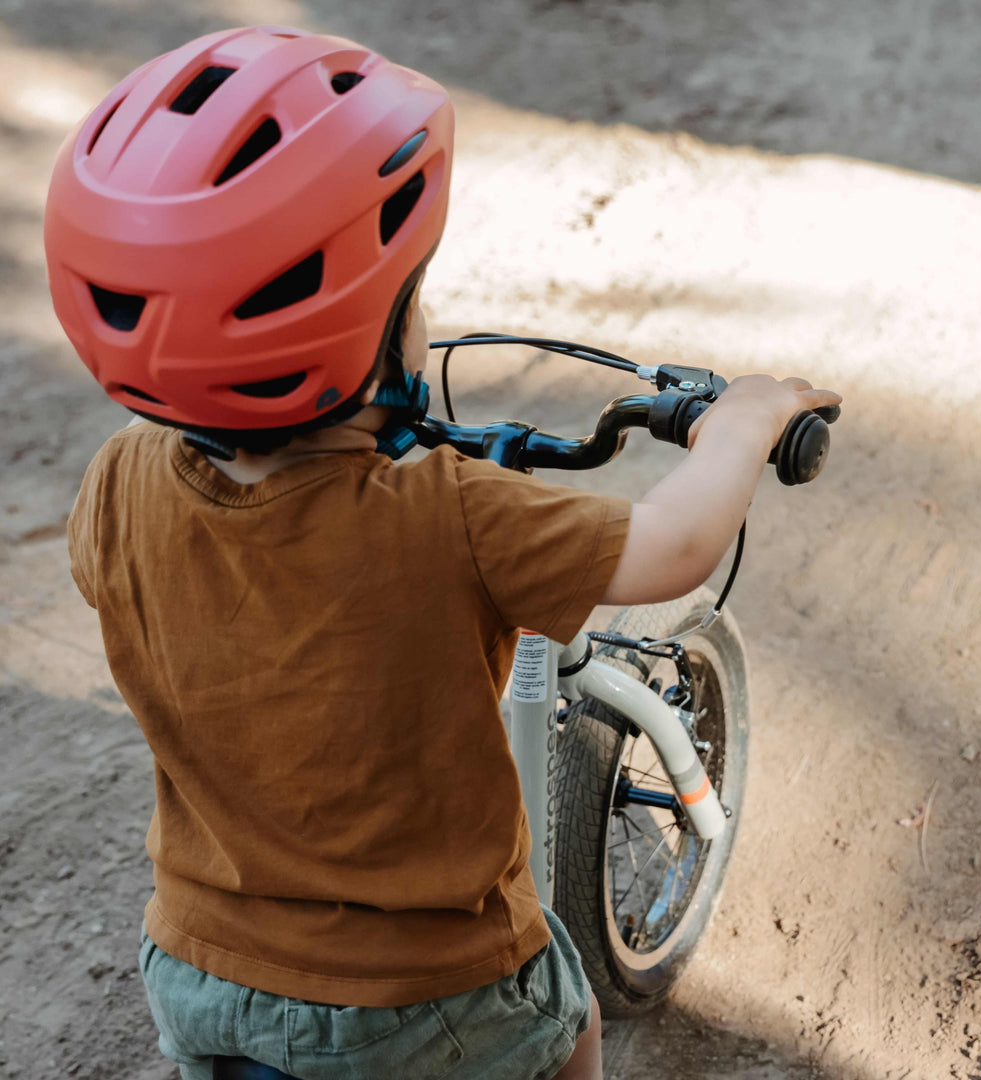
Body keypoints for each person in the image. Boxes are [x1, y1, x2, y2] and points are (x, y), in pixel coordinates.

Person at [47, 25, 841, 1080]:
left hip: (200, 965)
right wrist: (743, 421)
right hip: (424, 992)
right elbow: (673, 547)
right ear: (359, 338)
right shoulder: (451, 511)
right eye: (412, 299)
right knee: (569, 1029)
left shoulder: (118, 482)